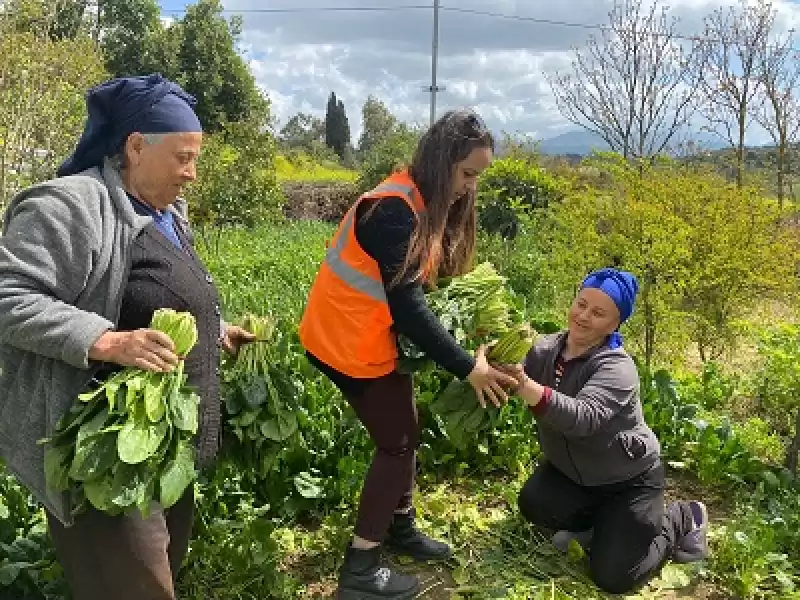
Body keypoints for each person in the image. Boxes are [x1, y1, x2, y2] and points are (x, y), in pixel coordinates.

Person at [0, 73, 254, 600]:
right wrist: (107, 340)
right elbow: (8, 297)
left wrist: (212, 332)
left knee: (160, 569)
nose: (192, 174)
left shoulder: (165, 211)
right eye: (183, 158)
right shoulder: (68, 207)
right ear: (137, 146)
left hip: (163, 440)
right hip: (100, 451)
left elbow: (155, 292)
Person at [298, 109, 518, 599]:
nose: (469, 187)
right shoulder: (394, 210)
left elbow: (419, 290)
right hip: (347, 341)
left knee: (406, 428)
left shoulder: (416, 200)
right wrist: (469, 366)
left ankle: (400, 530)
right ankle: (361, 568)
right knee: (397, 443)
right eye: (467, 174)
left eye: (477, 177)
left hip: (363, 336)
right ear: (443, 163)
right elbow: (410, 307)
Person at [498, 268, 710, 594]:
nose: (583, 317)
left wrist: (525, 386)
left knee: (615, 577)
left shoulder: (617, 367)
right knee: (534, 504)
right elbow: (502, 370)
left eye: (598, 313)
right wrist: (486, 359)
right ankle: (601, 527)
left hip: (628, 482)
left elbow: (584, 418)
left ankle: (682, 518)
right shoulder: (543, 350)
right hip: (575, 474)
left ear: (615, 323)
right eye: (581, 304)